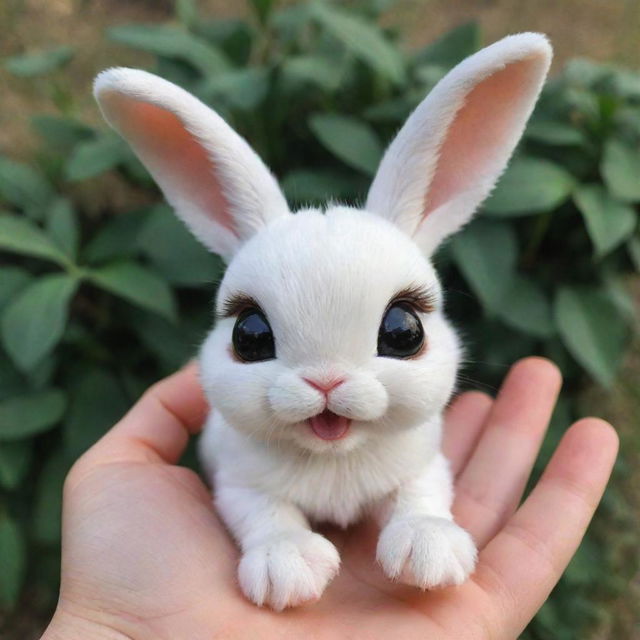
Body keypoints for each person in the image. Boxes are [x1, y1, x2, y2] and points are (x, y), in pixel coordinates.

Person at [41, 357, 618, 640]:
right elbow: (242, 483)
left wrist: (422, 513)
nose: (328, 385)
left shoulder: (413, 437)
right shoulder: (240, 433)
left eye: (396, 336)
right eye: (258, 339)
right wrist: (272, 534)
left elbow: (421, 466)